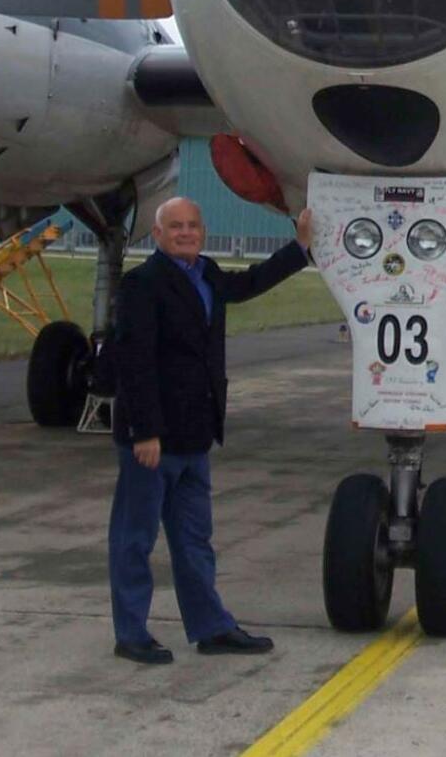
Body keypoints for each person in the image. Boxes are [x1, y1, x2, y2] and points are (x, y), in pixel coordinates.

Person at [108, 195, 314, 665]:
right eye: (175, 226)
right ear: (157, 235)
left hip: (195, 434)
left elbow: (247, 285)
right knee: (135, 538)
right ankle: (131, 632)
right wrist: (144, 431)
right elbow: (133, 361)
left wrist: (299, 248)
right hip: (153, 439)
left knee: (194, 540)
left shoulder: (206, 274)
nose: (186, 233)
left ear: (203, 232)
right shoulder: (143, 284)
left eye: (193, 226)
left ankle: (210, 627)